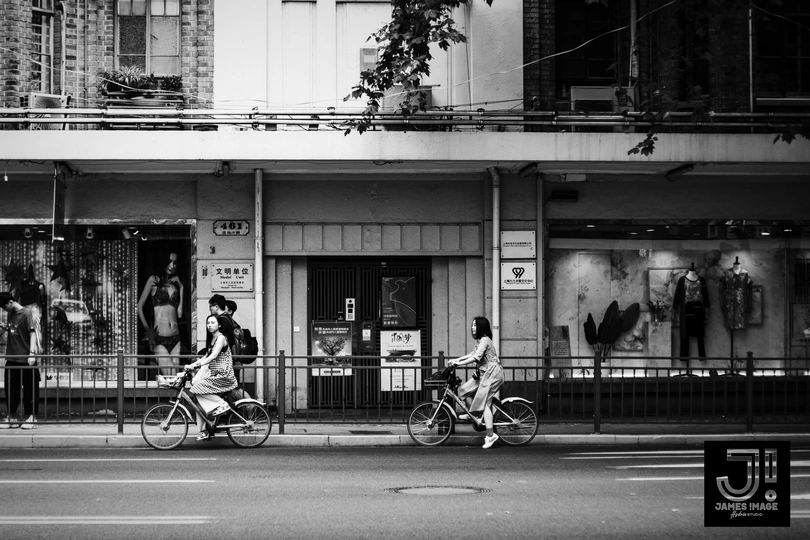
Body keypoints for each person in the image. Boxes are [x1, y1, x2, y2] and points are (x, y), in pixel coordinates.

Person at [448, 316, 504, 449]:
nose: (472, 327)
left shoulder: (485, 340)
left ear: (480, 327)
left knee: (484, 402)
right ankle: (473, 414)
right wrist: (457, 359)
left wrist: (459, 363)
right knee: (464, 390)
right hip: (483, 374)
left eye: (474, 325)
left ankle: (490, 436)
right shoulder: (480, 341)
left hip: (492, 374)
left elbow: (476, 357)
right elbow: (472, 353)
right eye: (472, 325)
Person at [186, 314, 238, 441]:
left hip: (224, 376)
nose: (209, 325)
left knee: (197, 388)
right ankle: (205, 430)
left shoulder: (220, 338)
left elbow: (213, 356)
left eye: (212, 323)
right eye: (208, 323)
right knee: (197, 395)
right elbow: (206, 356)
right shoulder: (213, 339)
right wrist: (192, 365)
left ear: (219, 325)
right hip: (215, 375)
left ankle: (221, 405)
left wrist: (196, 365)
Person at [137, 251, 184, 376]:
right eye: (169, 262)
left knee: (177, 379)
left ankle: (176, 397)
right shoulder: (153, 280)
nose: (172, 266)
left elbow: (179, 314)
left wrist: (182, 288)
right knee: (172, 377)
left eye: (175, 263)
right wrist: (149, 333)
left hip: (176, 338)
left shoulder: (175, 285)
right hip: (159, 338)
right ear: (163, 261)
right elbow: (139, 306)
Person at [0, 291, 40, 430]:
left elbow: (32, 333)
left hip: (26, 358)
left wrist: (32, 353)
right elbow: (13, 330)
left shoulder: (27, 313)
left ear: (11, 302)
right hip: (12, 357)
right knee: (11, 390)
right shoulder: (10, 313)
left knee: (30, 390)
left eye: (5, 307)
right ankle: (11, 417)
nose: (4, 310)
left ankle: (32, 418)